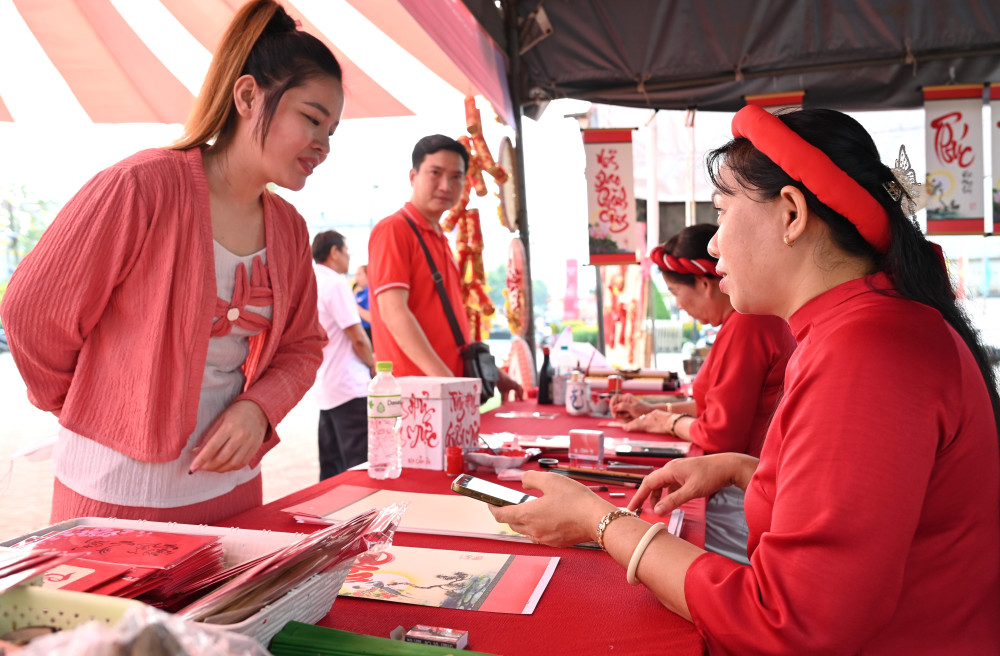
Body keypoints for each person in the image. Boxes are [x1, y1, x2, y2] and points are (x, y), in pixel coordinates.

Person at [490, 107, 1000, 653]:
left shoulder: (867, 353)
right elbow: (866, 505)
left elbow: (791, 624)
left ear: (791, 214)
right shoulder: (863, 328)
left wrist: (599, 520)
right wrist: (738, 467)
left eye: (722, 210)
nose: (713, 246)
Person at [0, 0, 342, 525]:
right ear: (248, 95)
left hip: (232, 488)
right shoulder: (139, 187)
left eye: (331, 132)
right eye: (312, 119)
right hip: (113, 492)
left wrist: (259, 407)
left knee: (225, 611)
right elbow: (31, 310)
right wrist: (94, 404)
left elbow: (301, 348)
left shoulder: (290, 228)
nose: (322, 145)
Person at [610, 223, 795, 563]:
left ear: (705, 284)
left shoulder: (747, 324)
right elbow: (715, 404)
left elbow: (720, 434)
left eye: (675, 293)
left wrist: (668, 421)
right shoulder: (744, 322)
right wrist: (652, 408)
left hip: (746, 493)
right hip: (755, 481)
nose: (678, 306)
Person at [367, 134, 522, 400]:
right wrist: (447, 383)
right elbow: (394, 313)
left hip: (443, 391)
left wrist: (492, 373)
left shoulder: (438, 237)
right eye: (435, 173)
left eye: (456, 177)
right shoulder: (394, 229)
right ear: (413, 176)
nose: (445, 185)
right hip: (417, 397)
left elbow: (449, 326)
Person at [312, 231, 375, 480]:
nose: (349, 257)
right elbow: (357, 337)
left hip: (326, 386)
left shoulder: (309, 280)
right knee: (359, 468)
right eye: (346, 251)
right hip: (350, 387)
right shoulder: (336, 283)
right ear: (334, 252)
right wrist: (373, 366)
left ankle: (329, 518)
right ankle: (363, 519)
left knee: (331, 470)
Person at [353, 264, 373, 343]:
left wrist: (354, 306)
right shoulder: (358, 293)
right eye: (355, 274)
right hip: (361, 331)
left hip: (369, 332)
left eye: (359, 274)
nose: (356, 277)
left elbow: (371, 318)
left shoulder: (370, 292)